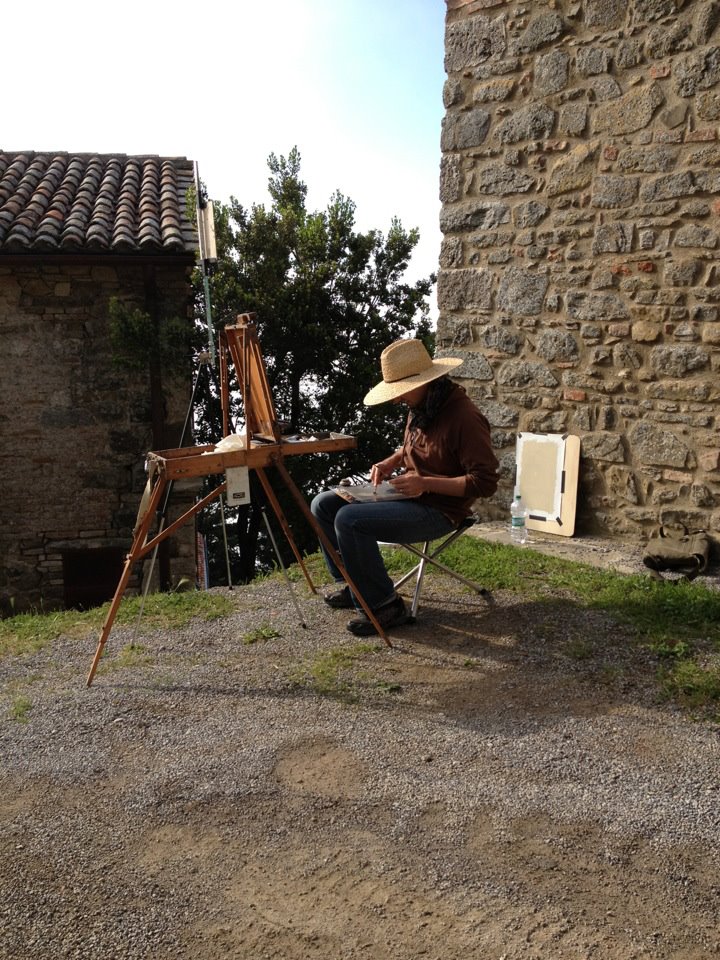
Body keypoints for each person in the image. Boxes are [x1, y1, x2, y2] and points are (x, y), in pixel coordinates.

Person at [311, 338, 499, 636]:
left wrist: (423, 483)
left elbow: (485, 483)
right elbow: (417, 447)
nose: (397, 400)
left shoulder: (465, 418)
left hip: (439, 510)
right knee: (323, 504)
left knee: (349, 520)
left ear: (424, 381)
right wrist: (390, 462)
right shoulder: (424, 404)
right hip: (409, 497)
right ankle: (357, 587)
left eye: (400, 392)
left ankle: (385, 606)